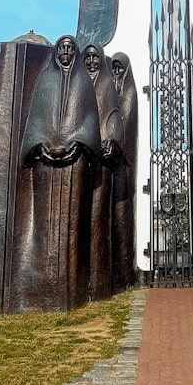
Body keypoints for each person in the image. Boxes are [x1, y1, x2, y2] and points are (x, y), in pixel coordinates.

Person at [11, 35, 100, 310]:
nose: (65, 52)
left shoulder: (84, 83)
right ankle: (42, 284)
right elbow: (36, 120)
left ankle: (69, 287)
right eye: (61, 48)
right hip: (45, 164)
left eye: (69, 48)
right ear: (55, 53)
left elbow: (89, 119)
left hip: (74, 163)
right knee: (44, 224)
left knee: (72, 223)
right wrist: (41, 145)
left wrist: (78, 143)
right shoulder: (45, 82)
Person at [84, 43, 124, 299]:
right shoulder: (76, 81)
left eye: (95, 57)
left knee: (99, 215)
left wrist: (112, 141)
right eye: (87, 57)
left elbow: (113, 116)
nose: (91, 61)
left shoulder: (107, 85)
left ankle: (99, 280)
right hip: (81, 155)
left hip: (103, 155)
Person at [109, 51, 138, 291]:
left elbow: (127, 119)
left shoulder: (128, 91)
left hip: (122, 154)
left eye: (120, 68)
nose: (117, 72)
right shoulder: (109, 87)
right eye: (114, 68)